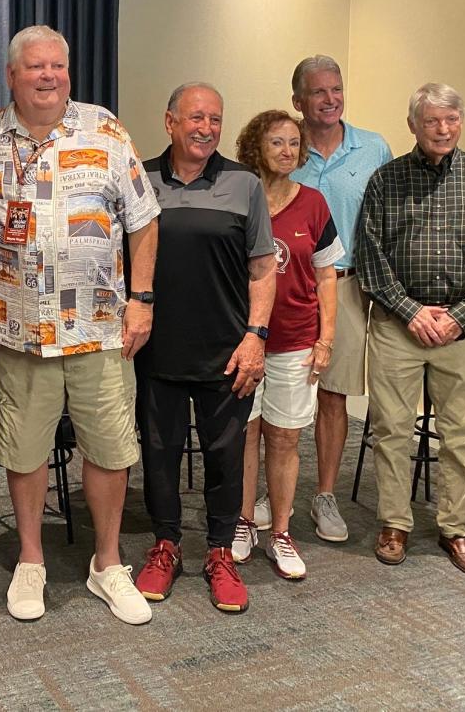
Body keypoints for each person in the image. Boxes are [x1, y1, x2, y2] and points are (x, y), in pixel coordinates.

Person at [0, 25, 159, 626]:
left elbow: (144, 220)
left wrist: (142, 299)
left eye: (58, 67)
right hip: (19, 328)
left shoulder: (105, 130)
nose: (48, 77)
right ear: (11, 76)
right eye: (35, 68)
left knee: (110, 445)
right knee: (24, 448)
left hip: (99, 325)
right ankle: (31, 560)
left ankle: (106, 563)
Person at [356, 83, 465, 576]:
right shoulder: (386, 180)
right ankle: (395, 523)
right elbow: (370, 254)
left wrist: (460, 316)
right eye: (431, 121)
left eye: (450, 120)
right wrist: (411, 312)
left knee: (463, 433)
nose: (442, 129)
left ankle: (456, 529)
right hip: (398, 325)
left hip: (461, 328)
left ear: (460, 123)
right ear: (413, 126)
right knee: (391, 430)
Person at [133, 83, 275, 614]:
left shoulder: (244, 183)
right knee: (160, 453)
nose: (206, 129)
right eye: (196, 118)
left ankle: (220, 553)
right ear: (169, 121)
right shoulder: (140, 179)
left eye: (215, 120)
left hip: (228, 353)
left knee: (224, 457)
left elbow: (263, 267)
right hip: (158, 351)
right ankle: (165, 545)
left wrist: (256, 337)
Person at [230, 110, 342, 580]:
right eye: (277, 142)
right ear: (256, 146)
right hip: (243, 340)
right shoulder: (237, 198)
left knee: (285, 436)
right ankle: (241, 522)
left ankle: (280, 531)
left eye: (295, 143)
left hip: (296, 341)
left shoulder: (314, 204)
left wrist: (326, 339)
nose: (287, 151)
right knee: (244, 434)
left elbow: (326, 275)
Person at [287, 55, 392, 542]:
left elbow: (392, 222)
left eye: (337, 89)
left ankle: (324, 495)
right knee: (276, 391)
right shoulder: (283, 149)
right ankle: (270, 490)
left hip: (347, 287)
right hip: (288, 287)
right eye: (318, 92)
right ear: (298, 102)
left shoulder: (373, 149)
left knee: (333, 396)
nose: (330, 99)